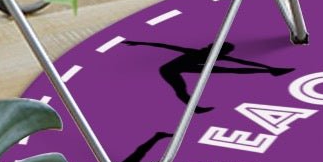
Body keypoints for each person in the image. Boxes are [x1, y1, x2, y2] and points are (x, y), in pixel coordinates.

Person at [123, 38, 293, 112]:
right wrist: (140, 43)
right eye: (224, 51)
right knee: (181, 89)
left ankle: (271, 71)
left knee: (230, 70)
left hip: (192, 67)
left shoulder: (215, 57)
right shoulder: (197, 53)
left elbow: (241, 62)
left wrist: (267, 66)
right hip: (169, 69)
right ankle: (194, 109)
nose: (225, 54)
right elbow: (166, 46)